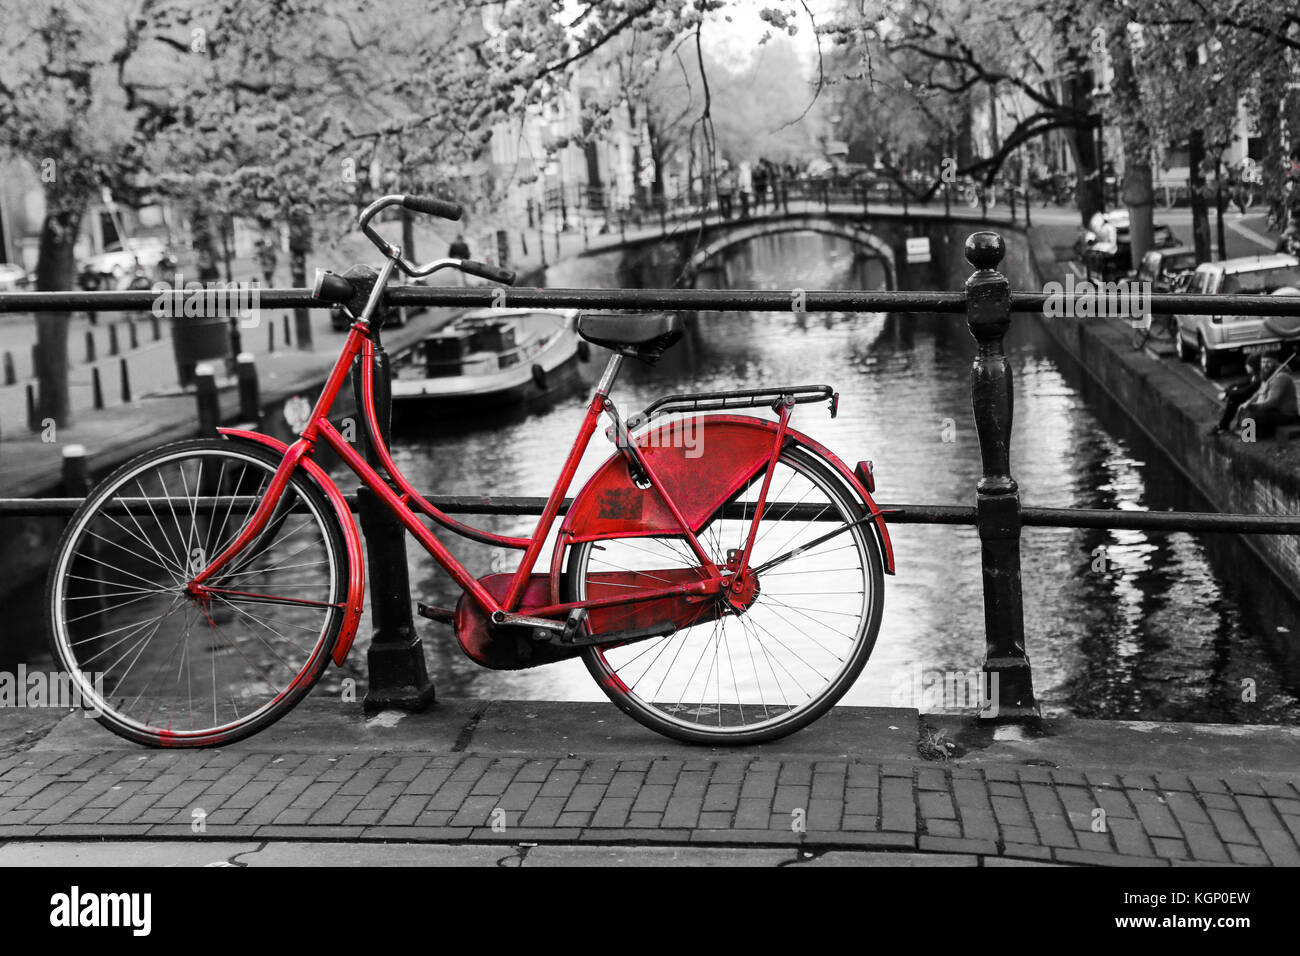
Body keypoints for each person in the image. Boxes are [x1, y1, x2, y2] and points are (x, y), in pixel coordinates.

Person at [1233, 355, 1300, 438]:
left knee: (1253, 414)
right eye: (1263, 362)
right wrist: (1248, 402)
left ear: (1275, 362)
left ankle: (1248, 436)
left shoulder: (1281, 377)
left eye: (1269, 362)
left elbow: (1273, 401)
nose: (1265, 365)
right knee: (1244, 408)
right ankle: (1245, 432)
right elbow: (1259, 393)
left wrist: (1254, 406)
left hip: (1286, 414)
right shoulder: (1268, 375)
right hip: (1275, 410)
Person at [1211, 354, 1262, 434]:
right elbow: (1240, 383)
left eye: (1247, 365)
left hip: (1256, 399)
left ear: (1253, 366)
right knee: (1234, 397)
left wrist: (1228, 394)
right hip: (1252, 396)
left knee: (1234, 399)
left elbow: (1247, 390)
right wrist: (1227, 391)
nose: (1245, 366)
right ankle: (1223, 426)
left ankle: (1223, 426)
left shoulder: (1258, 378)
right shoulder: (1253, 376)